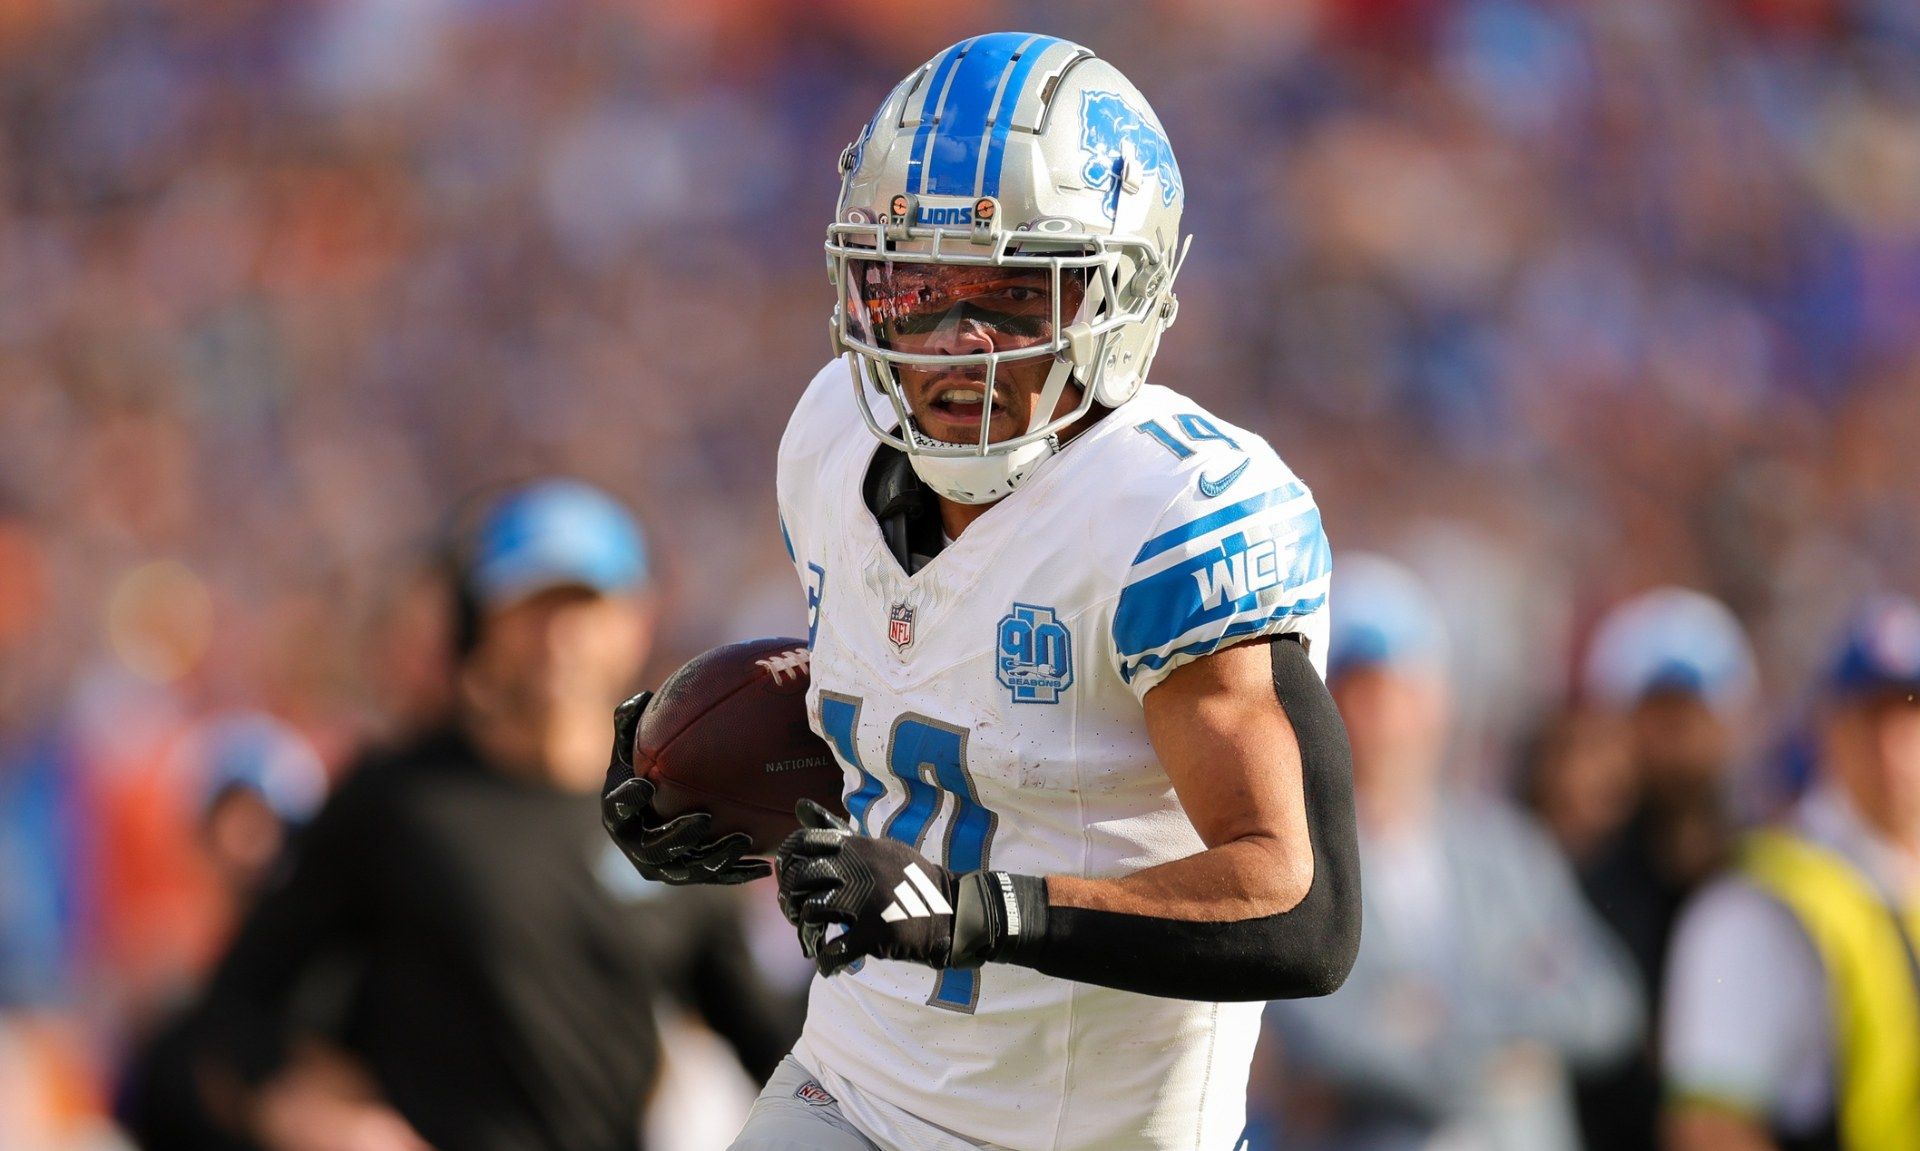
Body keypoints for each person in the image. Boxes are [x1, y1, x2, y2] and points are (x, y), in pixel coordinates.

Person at [603, 32, 1363, 1151]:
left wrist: (981, 907)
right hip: (851, 1087)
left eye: (1014, 293)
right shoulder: (829, 439)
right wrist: (687, 774)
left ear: (1122, 293)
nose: (958, 343)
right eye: (916, 286)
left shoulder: (1174, 511)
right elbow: (928, 690)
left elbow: (1300, 907)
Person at [194, 479, 796, 1151]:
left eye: (584, 604)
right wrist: (315, 1118)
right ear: (478, 624)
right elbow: (232, 1010)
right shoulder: (397, 802)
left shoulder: (675, 823)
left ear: (637, 621)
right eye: (530, 607)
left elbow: (765, 1041)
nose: (558, 637)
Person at [1259, 555, 1641, 1151]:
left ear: (1439, 699)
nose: (1381, 719)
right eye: (1357, 693)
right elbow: (1325, 1041)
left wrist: (1430, 1022)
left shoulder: (1510, 851)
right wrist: (1511, 1052)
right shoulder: (1291, 863)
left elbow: (1606, 1005)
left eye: (1400, 691)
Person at [1663, 595, 1920, 1151]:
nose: (1892, 748)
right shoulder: (1760, 903)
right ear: (1830, 728)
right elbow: (1713, 1127)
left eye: (1910, 716)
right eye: (1870, 718)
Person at [1573, 586, 1760, 1151]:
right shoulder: (1583, 891)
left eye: (1693, 713)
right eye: (1658, 715)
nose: (1678, 739)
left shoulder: (1773, 882)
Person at [117, 713, 328, 1151]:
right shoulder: (167, 984)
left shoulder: (327, 976)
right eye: (226, 822)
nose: (242, 846)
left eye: (262, 823)